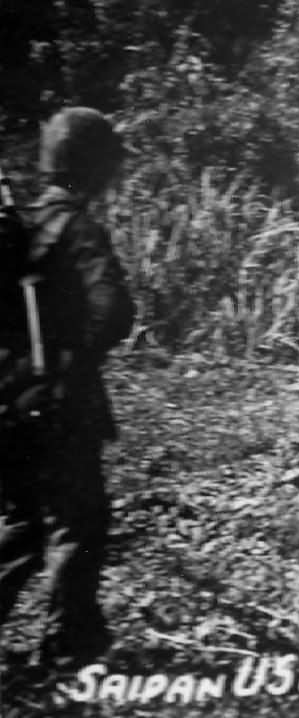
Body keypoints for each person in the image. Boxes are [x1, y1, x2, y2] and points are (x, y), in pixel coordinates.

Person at [0, 107, 134, 669]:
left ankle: (76, 637)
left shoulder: (19, 228)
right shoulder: (77, 227)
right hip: (57, 405)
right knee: (78, 520)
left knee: (26, 524)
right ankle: (71, 645)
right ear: (91, 166)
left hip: (7, 403)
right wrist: (73, 357)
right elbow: (114, 311)